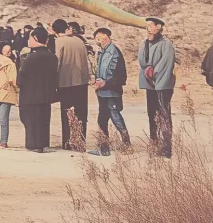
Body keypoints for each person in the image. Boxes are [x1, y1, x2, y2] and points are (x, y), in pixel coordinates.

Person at [137, 17, 176, 158]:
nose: (148, 28)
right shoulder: (145, 43)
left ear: (159, 27)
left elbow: (166, 63)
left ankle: (166, 147)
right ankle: (154, 140)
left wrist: (153, 73)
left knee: (164, 114)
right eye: (147, 26)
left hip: (162, 85)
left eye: (151, 25)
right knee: (151, 113)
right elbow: (142, 61)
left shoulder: (166, 44)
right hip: (150, 84)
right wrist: (147, 70)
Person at [89, 27, 131, 155]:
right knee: (103, 119)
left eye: (99, 37)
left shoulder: (114, 52)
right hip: (103, 91)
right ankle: (104, 147)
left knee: (114, 116)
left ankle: (124, 145)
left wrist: (106, 83)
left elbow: (121, 76)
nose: (98, 40)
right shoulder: (102, 52)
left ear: (106, 36)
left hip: (111, 91)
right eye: (96, 38)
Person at [17, 28, 58, 152]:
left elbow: (20, 78)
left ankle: (33, 144)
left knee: (30, 120)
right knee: (43, 119)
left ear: (35, 38)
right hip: (46, 94)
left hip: (29, 94)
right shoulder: (53, 57)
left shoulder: (27, 58)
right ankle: (43, 143)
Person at [52, 19, 89, 150]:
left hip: (65, 81)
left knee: (67, 113)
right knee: (81, 113)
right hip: (82, 81)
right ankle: (81, 141)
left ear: (54, 30)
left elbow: (57, 62)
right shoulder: (79, 40)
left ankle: (68, 141)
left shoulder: (59, 42)